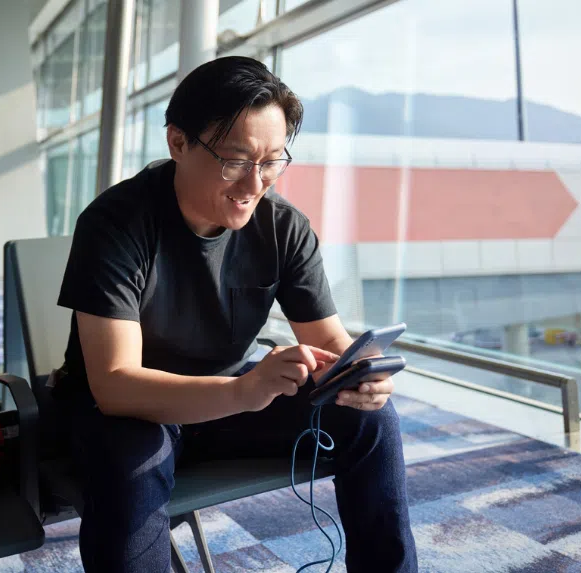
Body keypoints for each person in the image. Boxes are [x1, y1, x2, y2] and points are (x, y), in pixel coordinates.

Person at [53, 56, 418, 572]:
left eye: (271, 161)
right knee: (128, 460)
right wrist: (244, 392)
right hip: (136, 411)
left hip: (230, 399)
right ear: (178, 143)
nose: (255, 183)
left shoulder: (282, 227)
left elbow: (330, 342)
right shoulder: (116, 224)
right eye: (236, 160)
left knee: (373, 420)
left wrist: (361, 375)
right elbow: (115, 386)